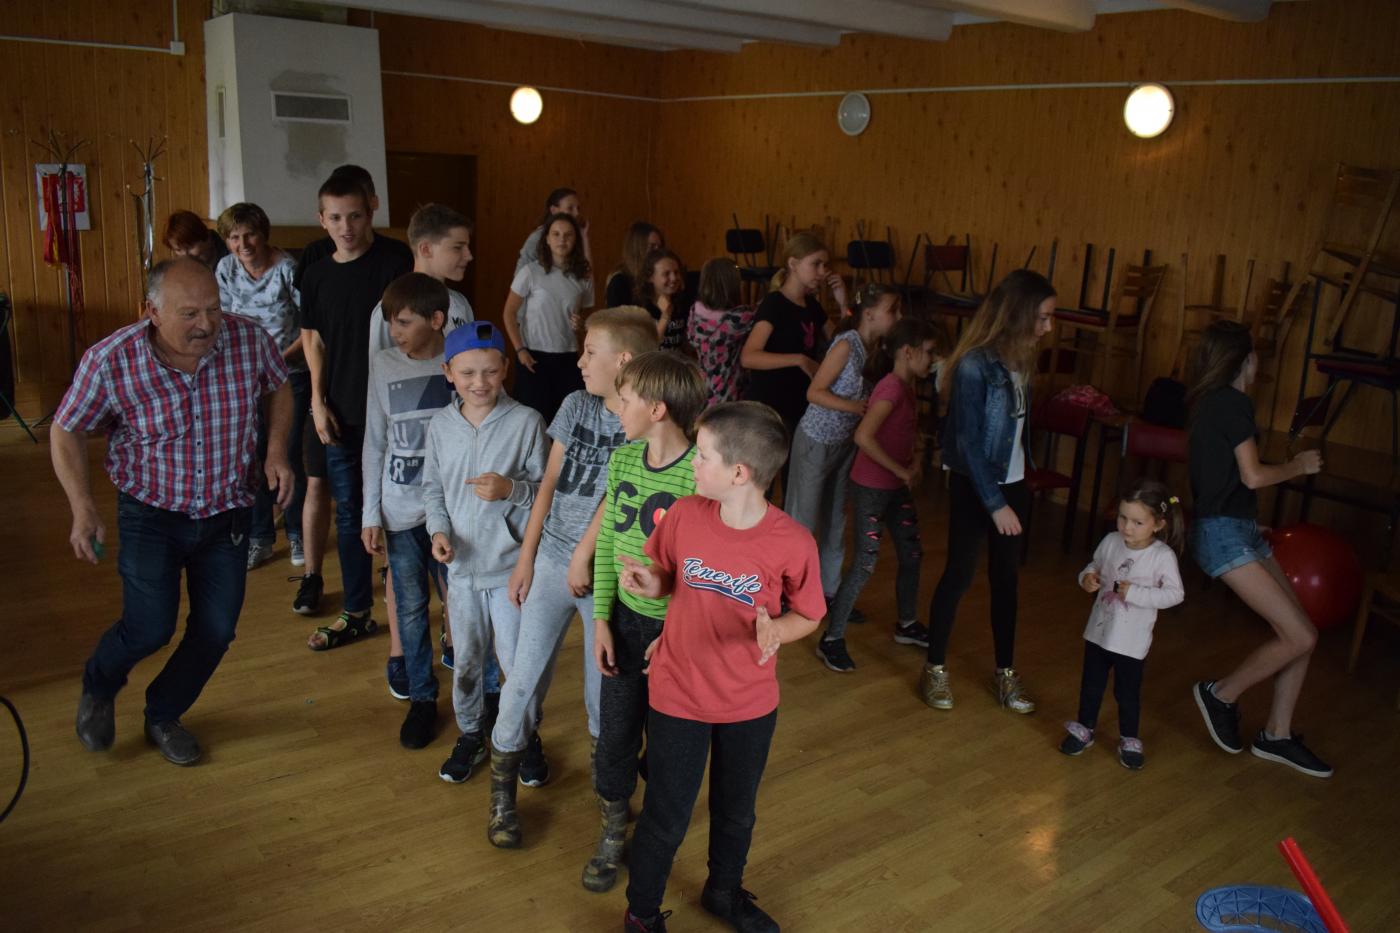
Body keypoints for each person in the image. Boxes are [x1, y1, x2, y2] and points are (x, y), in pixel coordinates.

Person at [56, 258, 293, 766]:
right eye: (189, 313)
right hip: (151, 514)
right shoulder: (112, 360)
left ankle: (163, 713)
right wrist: (82, 507)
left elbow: (279, 384)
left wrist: (275, 451)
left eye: (213, 309)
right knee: (149, 628)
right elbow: (65, 428)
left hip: (227, 510)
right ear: (152, 311)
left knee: (216, 630)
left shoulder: (249, 339)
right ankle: (99, 684)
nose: (206, 324)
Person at [618, 401, 825, 933]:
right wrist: (651, 582)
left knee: (736, 811)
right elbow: (668, 574)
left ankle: (723, 892)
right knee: (667, 814)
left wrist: (778, 631)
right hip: (678, 693)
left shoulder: (793, 542)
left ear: (739, 473)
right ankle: (641, 914)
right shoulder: (685, 514)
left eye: (703, 455)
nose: (693, 463)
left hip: (748, 703)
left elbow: (809, 614)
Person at [485, 307, 659, 850]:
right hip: (552, 560)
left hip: (607, 576)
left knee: (602, 696)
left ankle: (611, 805)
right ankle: (501, 796)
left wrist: (588, 559)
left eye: (589, 351)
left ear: (623, 361)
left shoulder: (644, 421)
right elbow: (549, 484)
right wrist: (526, 558)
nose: (579, 360)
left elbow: (620, 498)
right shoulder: (575, 404)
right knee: (521, 682)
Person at [584, 351, 707, 894]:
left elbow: (704, 573)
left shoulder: (700, 477)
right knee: (614, 737)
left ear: (657, 410)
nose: (616, 408)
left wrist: (674, 629)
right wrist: (601, 620)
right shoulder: (622, 460)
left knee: (667, 747)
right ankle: (613, 827)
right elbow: (609, 544)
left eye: (625, 400)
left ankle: (654, 834)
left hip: (677, 640)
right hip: (625, 625)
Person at [1187, 320, 1331, 778]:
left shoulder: (1210, 403)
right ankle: (1221, 694)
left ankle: (1277, 735)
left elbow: (1224, 480)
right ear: (1245, 360)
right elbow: (1252, 476)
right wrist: (1298, 465)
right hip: (1224, 535)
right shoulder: (1233, 403)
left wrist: (1245, 521)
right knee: (1301, 636)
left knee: (1302, 631)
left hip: (1235, 529)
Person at [920, 269, 1055, 714]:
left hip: (1011, 485)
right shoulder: (975, 365)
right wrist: (994, 504)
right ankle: (934, 667)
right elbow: (967, 442)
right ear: (1018, 315)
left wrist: (1012, 492)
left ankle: (1006, 673)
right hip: (974, 485)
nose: (1048, 327)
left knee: (1006, 580)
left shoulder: (1022, 360)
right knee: (959, 575)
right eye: (1042, 317)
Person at [425, 322, 548, 783]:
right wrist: (438, 531)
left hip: (511, 571)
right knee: (467, 661)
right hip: (461, 572)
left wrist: (511, 489)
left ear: (506, 369)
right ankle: (473, 732)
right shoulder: (441, 426)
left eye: (491, 372)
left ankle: (524, 737)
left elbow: (546, 493)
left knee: (517, 664)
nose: (480, 382)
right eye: (468, 373)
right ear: (448, 372)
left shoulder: (527, 422)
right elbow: (433, 490)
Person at [365, 202, 476, 697]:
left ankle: (456, 642)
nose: (467, 256)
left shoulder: (461, 306)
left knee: (456, 574)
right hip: (402, 488)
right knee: (406, 580)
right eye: (458, 246)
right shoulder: (387, 316)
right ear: (427, 249)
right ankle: (403, 656)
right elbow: (381, 403)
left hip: (451, 486)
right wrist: (371, 508)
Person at [291, 165, 412, 617]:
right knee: (349, 511)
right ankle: (357, 609)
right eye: (336, 218)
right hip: (341, 409)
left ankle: (402, 603)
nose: (347, 227)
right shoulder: (316, 275)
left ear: (370, 212)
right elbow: (314, 341)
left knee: (397, 510)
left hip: (394, 408)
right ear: (322, 220)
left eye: (355, 216)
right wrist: (317, 402)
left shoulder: (395, 260)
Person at [360, 273, 456, 747]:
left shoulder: (459, 361)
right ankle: (422, 697)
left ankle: (480, 696)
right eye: (390, 322)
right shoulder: (383, 364)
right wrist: (370, 513)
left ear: (436, 320)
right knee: (413, 609)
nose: (394, 331)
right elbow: (375, 441)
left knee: (461, 605)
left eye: (403, 322)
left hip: (453, 512)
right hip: (399, 511)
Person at [818, 318, 940, 673]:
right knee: (865, 563)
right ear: (908, 352)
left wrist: (912, 459)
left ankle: (907, 624)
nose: (933, 359)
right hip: (872, 488)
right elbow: (863, 437)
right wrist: (900, 470)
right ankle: (831, 639)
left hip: (894, 489)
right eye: (929, 352)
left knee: (912, 554)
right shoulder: (891, 389)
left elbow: (903, 432)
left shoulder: (906, 387)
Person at [785, 282, 901, 608]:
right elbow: (814, 392)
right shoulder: (846, 345)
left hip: (844, 447)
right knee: (803, 520)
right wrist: (854, 407)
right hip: (816, 442)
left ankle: (829, 593)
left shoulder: (877, 349)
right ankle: (787, 594)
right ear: (870, 314)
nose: (898, 316)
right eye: (892, 310)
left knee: (835, 521)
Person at [1062, 478, 1184, 770]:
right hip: (1098, 633)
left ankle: (1129, 737)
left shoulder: (1161, 556)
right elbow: (1094, 565)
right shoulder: (1110, 541)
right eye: (1122, 518)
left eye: (1137, 522)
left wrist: (1136, 593)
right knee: (1091, 685)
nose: (1127, 527)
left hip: (1131, 642)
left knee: (1126, 693)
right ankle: (1085, 727)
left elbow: (1175, 594)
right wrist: (1086, 578)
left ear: (1158, 524)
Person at [214, 201, 308, 571]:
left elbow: (309, 326)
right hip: (245, 377)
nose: (243, 244)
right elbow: (221, 320)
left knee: (287, 453)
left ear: (263, 234)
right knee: (251, 456)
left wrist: (278, 359)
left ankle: (297, 533)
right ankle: (260, 537)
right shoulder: (225, 269)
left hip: (289, 372)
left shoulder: (287, 269)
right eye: (234, 237)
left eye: (250, 234)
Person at [740, 232, 840, 492]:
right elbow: (749, 356)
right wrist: (798, 359)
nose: (823, 271)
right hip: (770, 408)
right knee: (761, 485)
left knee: (794, 484)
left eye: (825, 265)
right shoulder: (774, 304)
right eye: (816, 264)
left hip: (800, 408)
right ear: (793, 264)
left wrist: (843, 303)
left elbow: (843, 345)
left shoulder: (812, 306)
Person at [502, 212, 595, 424]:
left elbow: (586, 315)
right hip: (533, 356)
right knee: (534, 420)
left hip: (568, 356)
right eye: (556, 234)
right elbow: (509, 312)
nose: (562, 239)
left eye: (568, 235)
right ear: (547, 239)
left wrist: (581, 324)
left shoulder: (583, 276)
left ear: (575, 239)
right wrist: (520, 350)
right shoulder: (530, 272)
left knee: (567, 420)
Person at [688, 258, 755, 407]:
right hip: (729, 391)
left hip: (703, 388)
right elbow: (763, 312)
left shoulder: (695, 313)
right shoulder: (737, 319)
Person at [515, 186, 592, 274]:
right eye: (570, 208)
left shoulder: (575, 235)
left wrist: (584, 238)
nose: (577, 213)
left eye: (578, 208)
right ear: (554, 210)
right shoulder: (537, 237)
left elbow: (587, 274)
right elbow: (520, 275)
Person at [634, 248, 689, 352]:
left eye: (676, 272)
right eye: (666, 274)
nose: (673, 278)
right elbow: (649, 347)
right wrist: (665, 316)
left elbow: (685, 345)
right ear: (650, 277)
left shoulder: (681, 302)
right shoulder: (642, 308)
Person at [606, 222, 664, 308]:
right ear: (638, 249)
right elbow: (616, 315)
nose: (658, 252)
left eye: (659, 247)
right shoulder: (619, 282)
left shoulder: (655, 278)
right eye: (652, 247)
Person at [164, 210, 228, 268]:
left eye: (189, 247)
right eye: (178, 250)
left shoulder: (230, 257)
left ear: (207, 238)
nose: (185, 256)